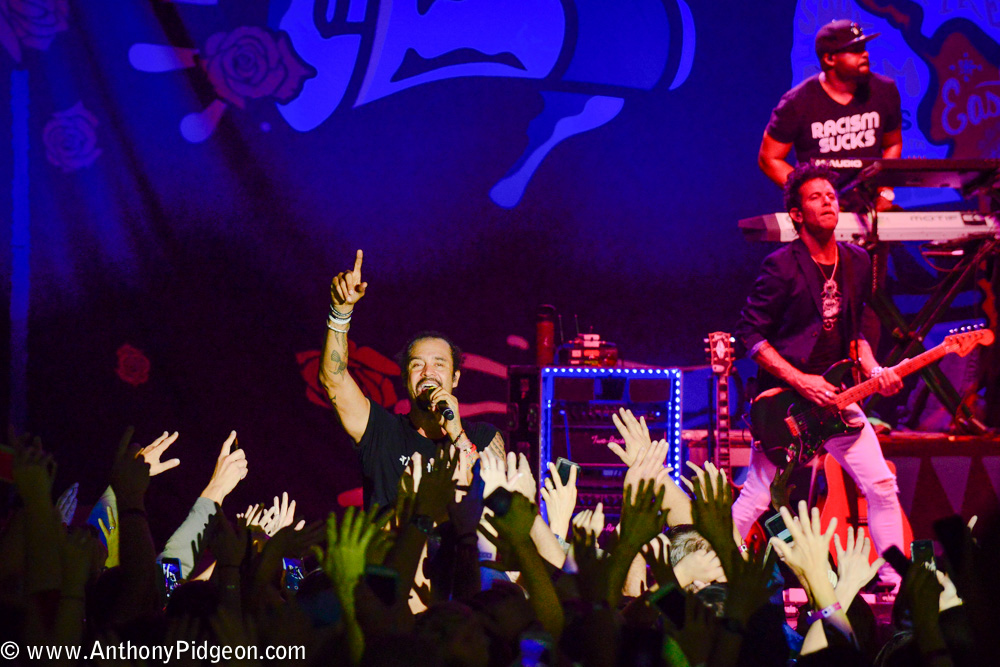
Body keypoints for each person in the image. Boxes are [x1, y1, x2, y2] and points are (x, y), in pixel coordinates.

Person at [732, 163, 906, 584]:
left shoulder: (858, 261)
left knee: (882, 486)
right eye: (816, 197)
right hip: (788, 405)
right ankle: (719, 565)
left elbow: (858, 328)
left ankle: (898, 579)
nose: (829, 200)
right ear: (796, 214)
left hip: (839, 398)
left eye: (831, 195)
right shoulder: (781, 266)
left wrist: (874, 368)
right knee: (758, 494)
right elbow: (750, 335)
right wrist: (800, 379)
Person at [319, 250, 505, 509]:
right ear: (406, 378)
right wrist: (340, 312)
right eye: (418, 365)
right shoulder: (380, 431)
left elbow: (501, 499)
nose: (428, 372)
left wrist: (456, 434)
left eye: (439, 364)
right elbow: (334, 379)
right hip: (393, 549)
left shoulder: (483, 436)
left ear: (456, 378)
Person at [758, 19, 902, 210]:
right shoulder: (797, 102)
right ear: (829, 59)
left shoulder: (885, 90)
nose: (865, 54)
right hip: (822, 212)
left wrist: (885, 193)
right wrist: (814, 196)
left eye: (864, 47)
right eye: (855, 50)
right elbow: (769, 159)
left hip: (870, 204)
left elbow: (893, 143)